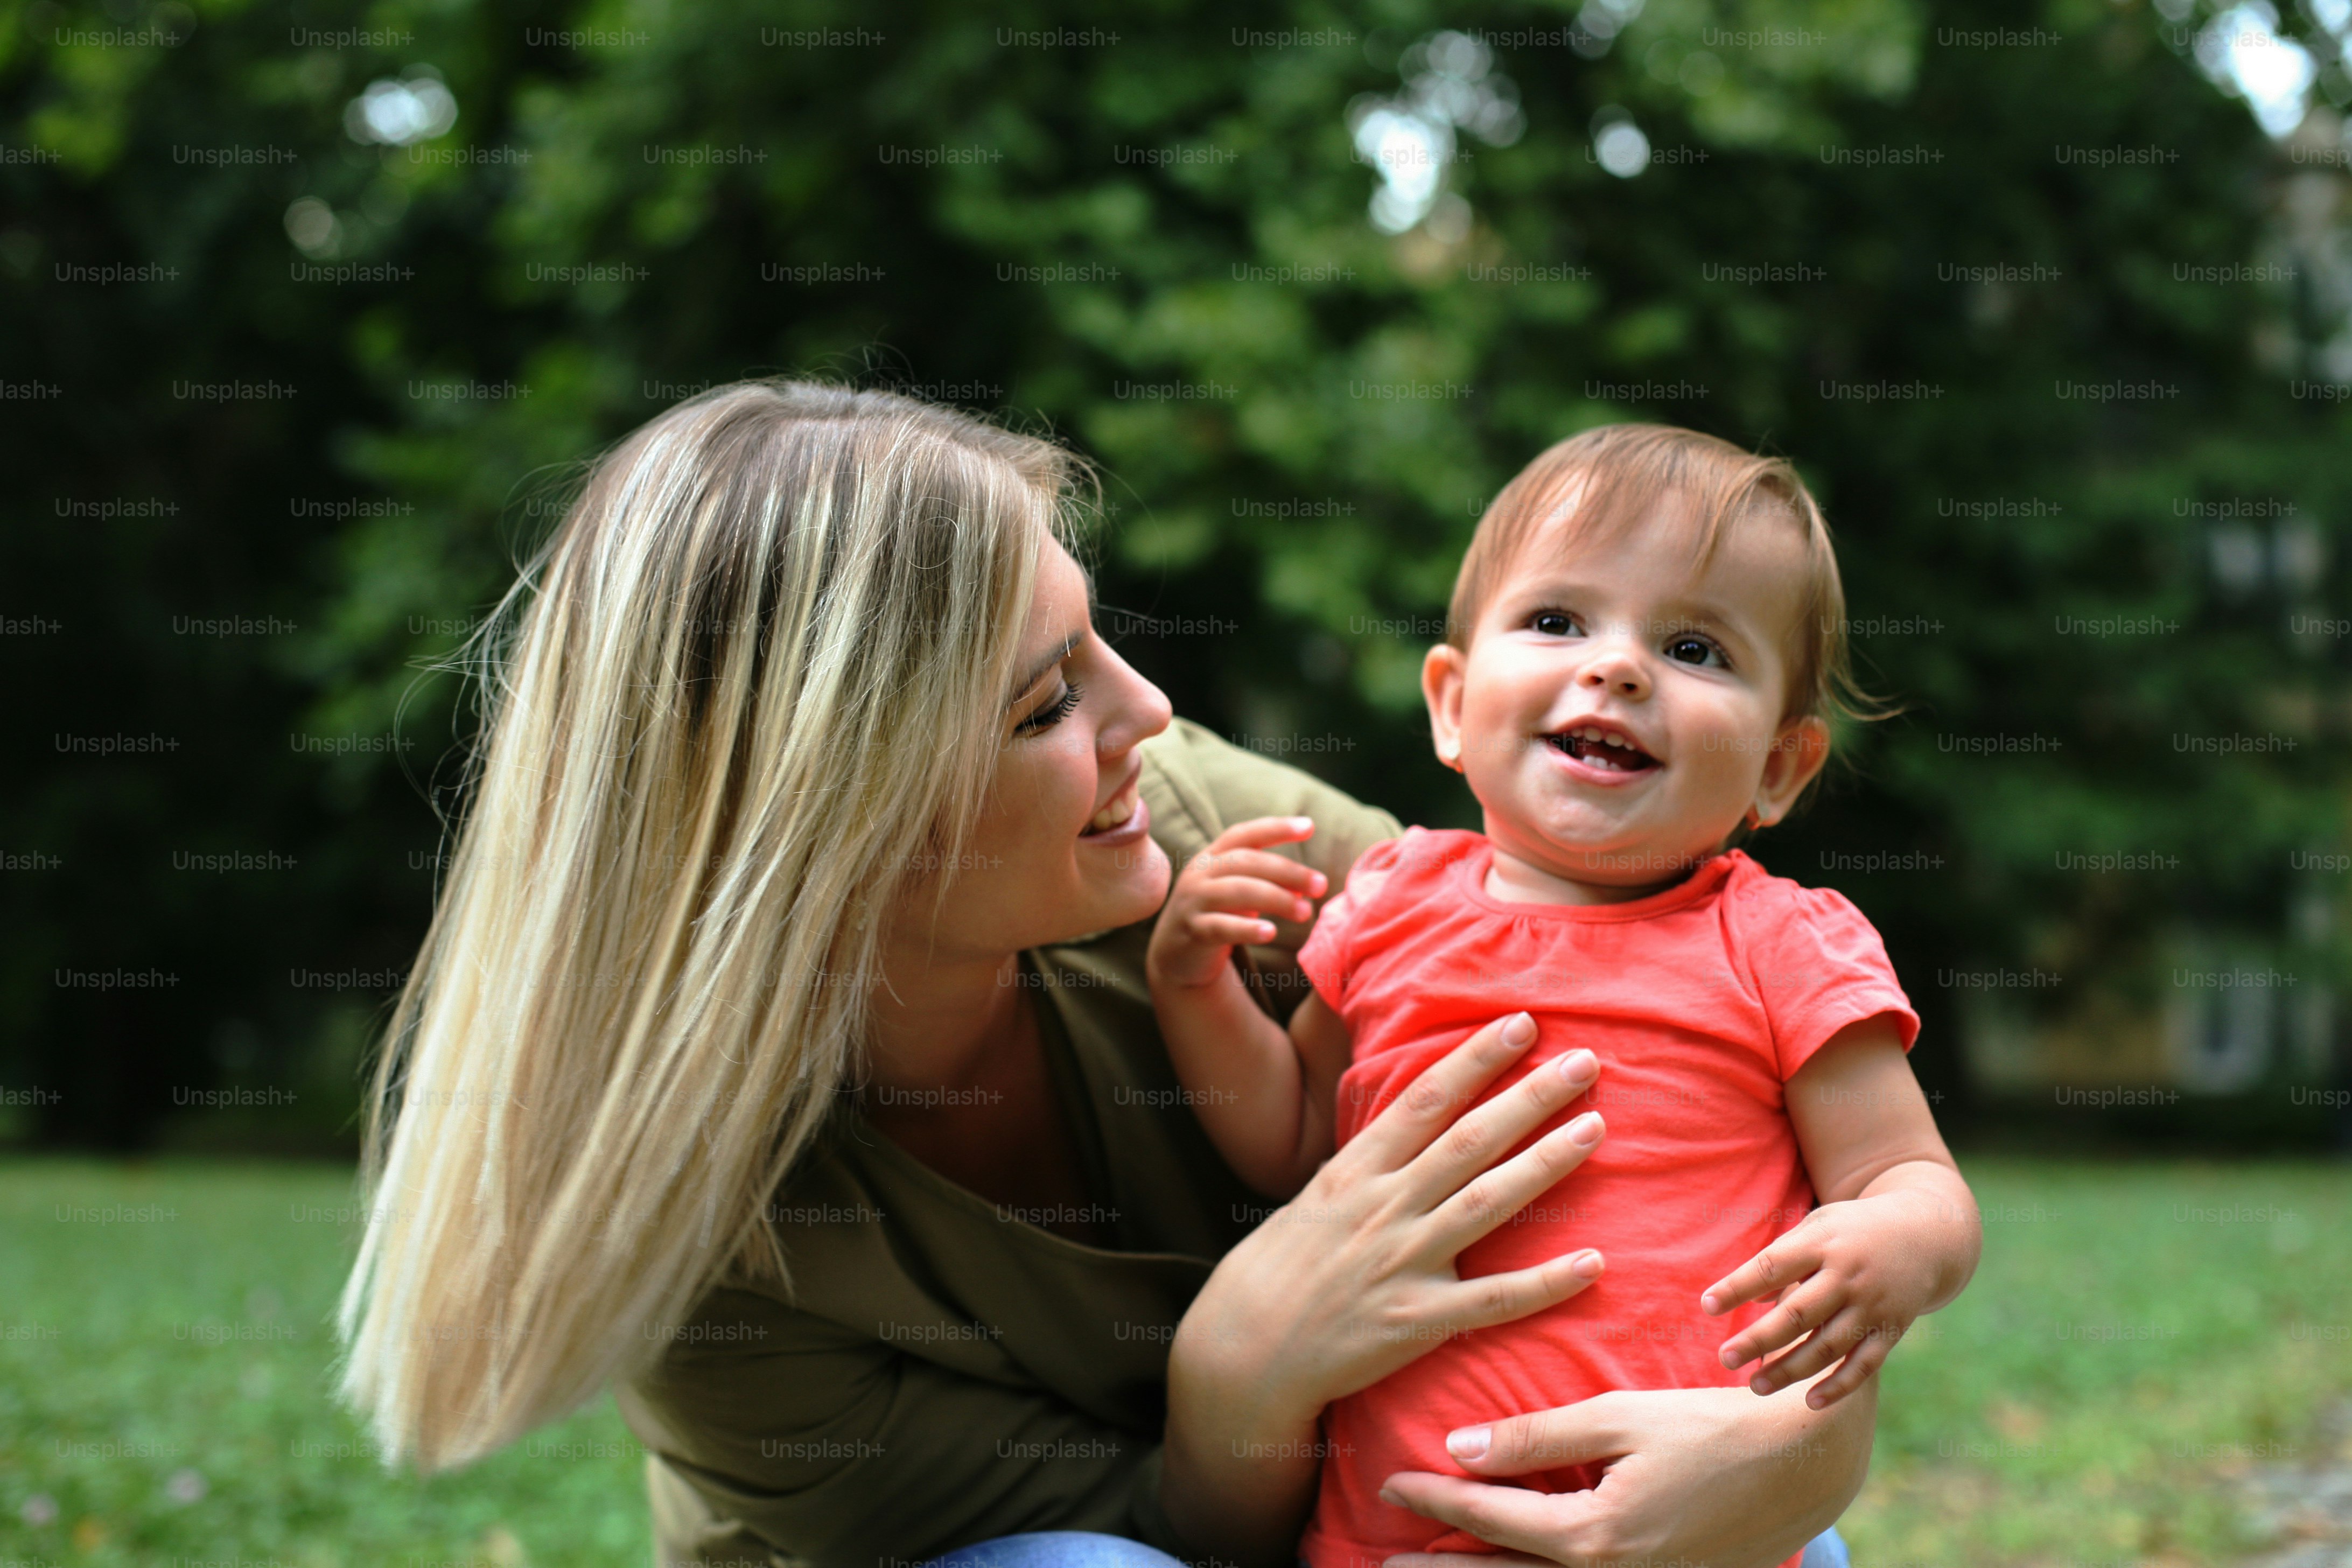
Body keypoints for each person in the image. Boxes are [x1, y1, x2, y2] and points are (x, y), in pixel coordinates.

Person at [332, 383, 1883, 1568]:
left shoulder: (1194, 835)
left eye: (1103, 642)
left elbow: (1683, 1118)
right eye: (1040, 704)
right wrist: (1237, 1382)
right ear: (831, 828)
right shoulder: (717, 1273)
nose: (1147, 710)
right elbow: (1166, 1542)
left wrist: (1803, 1449)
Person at [1149, 426, 1982, 1567]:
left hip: (1688, 1531)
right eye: (1556, 621)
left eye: (1695, 645)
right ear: (1450, 703)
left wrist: (1896, 1241)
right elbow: (1296, 1136)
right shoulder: (1392, 905)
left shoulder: (1779, 943)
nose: (1620, 665)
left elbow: (1911, 1177)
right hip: (1395, 1538)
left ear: (1780, 768)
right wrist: (1193, 986)